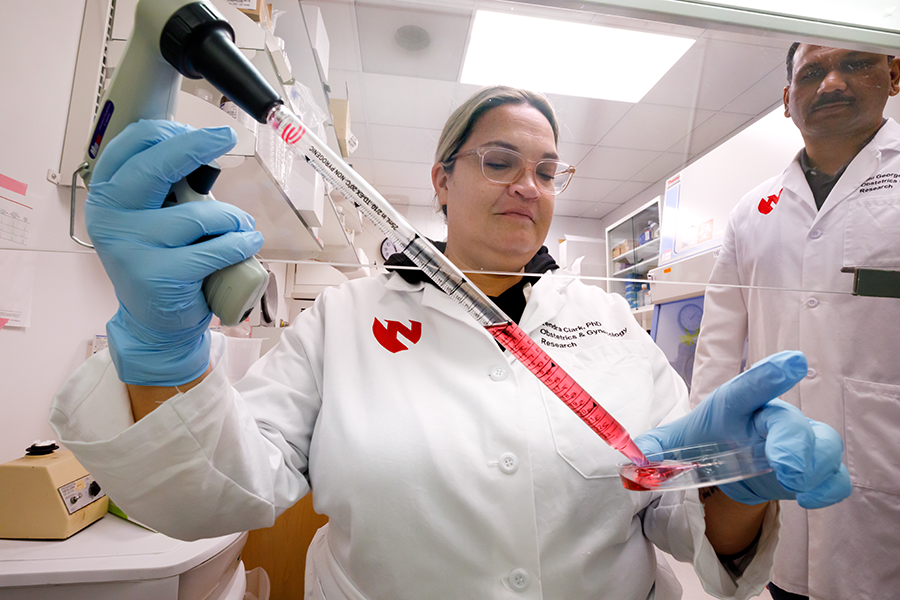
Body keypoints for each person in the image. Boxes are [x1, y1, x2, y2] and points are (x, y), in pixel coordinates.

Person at [51, 86, 850, 600]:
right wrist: (163, 355)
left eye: (546, 171)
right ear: (441, 181)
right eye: (498, 161)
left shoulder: (610, 324)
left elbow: (677, 517)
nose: (526, 186)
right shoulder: (344, 319)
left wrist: (733, 484)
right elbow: (218, 497)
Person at [691, 44, 900, 600]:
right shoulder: (751, 209)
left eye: (855, 64)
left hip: (887, 468)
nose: (831, 83)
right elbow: (716, 348)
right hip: (778, 464)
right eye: (811, 73)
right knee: (789, 582)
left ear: (894, 75)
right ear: (788, 100)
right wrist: (708, 467)